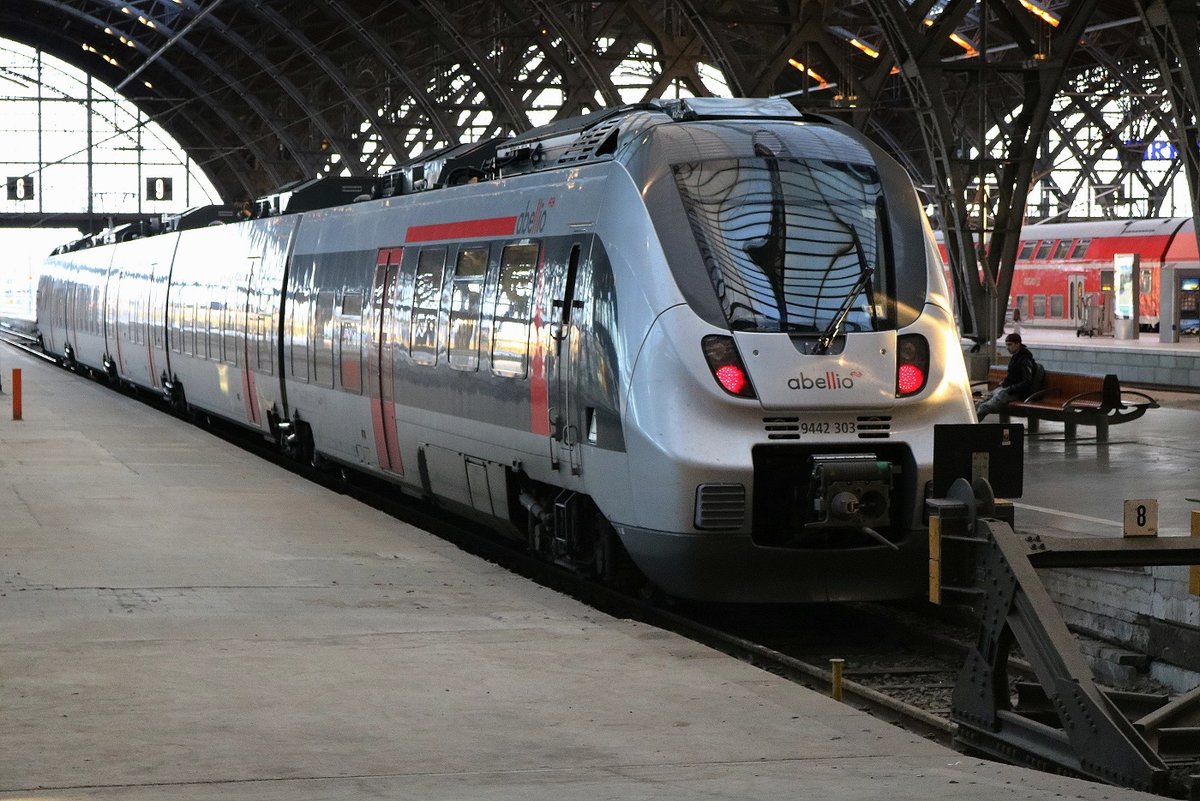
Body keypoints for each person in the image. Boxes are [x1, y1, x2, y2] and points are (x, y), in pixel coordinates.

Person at [976, 333, 1036, 420]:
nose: (1007, 347)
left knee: (983, 407)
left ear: (1018, 344)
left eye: (1010, 345)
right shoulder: (1016, 357)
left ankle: (970, 429)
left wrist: (1010, 388)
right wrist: (1004, 383)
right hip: (1007, 389)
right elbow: (1013, 376)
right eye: (1007, 345)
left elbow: (1027, 382)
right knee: (978, 404)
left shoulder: (1025, 360)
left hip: (1015, 392)